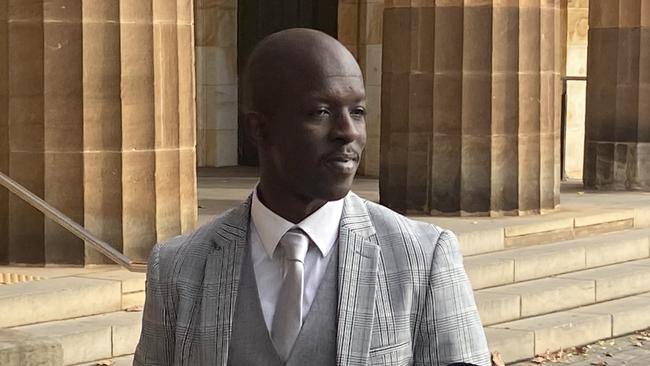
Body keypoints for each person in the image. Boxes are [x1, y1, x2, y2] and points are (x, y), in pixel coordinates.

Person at [134, 28, 490, 366]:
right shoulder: (179, 267)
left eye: (358, 112)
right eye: (321, 112)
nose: (348, 131)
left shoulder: (422, 256)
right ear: (259, 129)